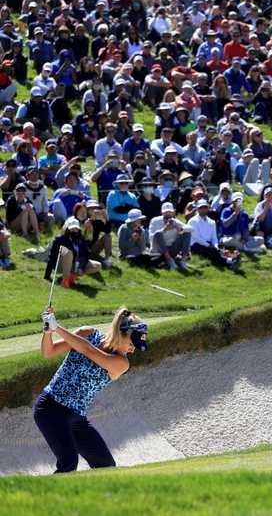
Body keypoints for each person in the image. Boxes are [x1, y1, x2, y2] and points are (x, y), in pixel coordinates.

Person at [35, 307, 147, 473]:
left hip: (76, 416)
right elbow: (48, 352)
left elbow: (88, 350)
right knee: (68, 463)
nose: (133, 349)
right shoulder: (87, 333)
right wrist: (48, 330)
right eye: (132, 343)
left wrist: (56, 326)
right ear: (121, 334)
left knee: (106, 466)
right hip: (50, 408)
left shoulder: (121, 363)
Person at [45, 217, 101, 288]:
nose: (74, 231)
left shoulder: (81, 240)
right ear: (67, 229)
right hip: (60, 264)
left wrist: (81, 267)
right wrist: (47, 276)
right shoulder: (59, 239)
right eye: (72, 229)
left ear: (79, 229)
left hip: (76, 264)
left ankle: (71, 277)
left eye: (76, 229)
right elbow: (52, 256)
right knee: (69, 253)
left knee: (98, 265)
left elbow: (85, 255)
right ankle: (65, 281)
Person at [187, 199, 240, 269]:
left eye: (205, 207)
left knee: (216, 250)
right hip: (195, 245)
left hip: (208, 244)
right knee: (211, 251)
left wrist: (215, 245)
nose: (203, 209)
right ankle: (228, 262)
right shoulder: (192, 221)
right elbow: (196, 237)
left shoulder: (212, 222)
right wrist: (209, 245)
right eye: (201, 208)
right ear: (197, 209)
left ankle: (229, 260)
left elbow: (214, 237)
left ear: (208, 208)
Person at [148, 202, 192, 270]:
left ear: (173, 212)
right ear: (162, 212)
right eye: (166, 212)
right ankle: (169, 260)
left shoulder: (175, 221)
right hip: (158, 250)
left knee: (187, 232)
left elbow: (191, 229)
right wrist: (164, 229)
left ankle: (183, 260)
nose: (168, 214)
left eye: (170, 212)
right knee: (158, 233)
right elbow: (151, 237)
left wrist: (179, 228)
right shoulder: (154, 221)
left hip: (172, 248)